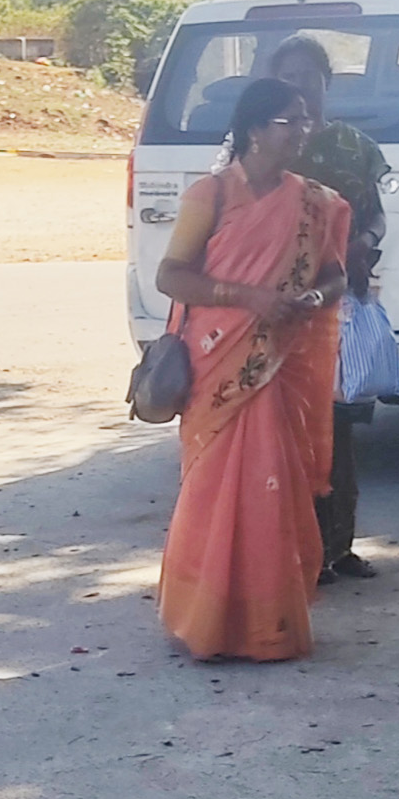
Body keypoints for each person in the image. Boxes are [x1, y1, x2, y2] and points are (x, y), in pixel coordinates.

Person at [155, 77, 352, 662]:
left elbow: (336, 276)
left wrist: (313, 302)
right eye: (291, 121)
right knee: (214, 493)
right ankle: (204, 621)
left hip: (281, 364)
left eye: (307, 121)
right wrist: (248, 296)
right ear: (255, 130)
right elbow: (171, 276)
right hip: (221, 361)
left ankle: (269, 626)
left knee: (271, 491)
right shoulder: (210, 196)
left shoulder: (316, 202)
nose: (303, 132)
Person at [270, 34, 391, 586]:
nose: (298, 87)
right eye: (286, 78)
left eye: (307, 77)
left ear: (326, 82)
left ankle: (338, 548)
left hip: (341, 302)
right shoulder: (263, 150)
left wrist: (362, 242)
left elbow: (378, 217)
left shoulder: (353, 147)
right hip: (283, 309)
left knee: (339, 432)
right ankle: (298, 551)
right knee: (291, 432)